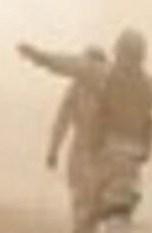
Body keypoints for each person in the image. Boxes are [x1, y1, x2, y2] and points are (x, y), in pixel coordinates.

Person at [17, 28, 152, 233]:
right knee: (117, 222)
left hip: (99, 162)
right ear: (142, 56)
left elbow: (69, 65)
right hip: (128, 168)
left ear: (118, 51)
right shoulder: (149, 87)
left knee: (85, 221)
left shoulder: (104, 75)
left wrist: (37, 56)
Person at [44, 46, 108, 233]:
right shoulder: (101, 87)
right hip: (94, 154)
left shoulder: (79, 88)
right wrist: (53, 149)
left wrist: (53, 150)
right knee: (86, 205)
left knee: (83, 205)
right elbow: (62, 120)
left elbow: (62, 120)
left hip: (91, 153)